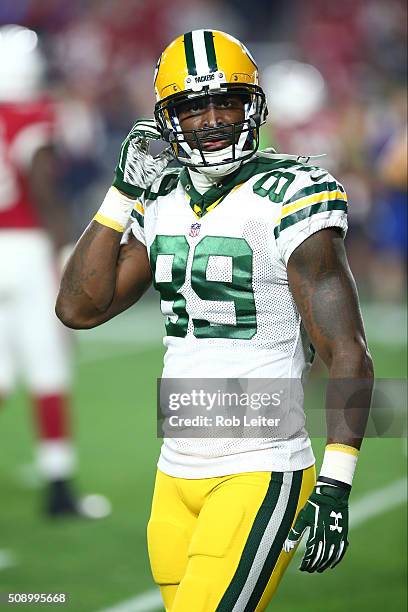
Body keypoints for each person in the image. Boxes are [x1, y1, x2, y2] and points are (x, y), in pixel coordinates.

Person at [56, 29, 374, 610]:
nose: (211, 120)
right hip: (174, 467)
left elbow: (348, 349)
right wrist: (121, 192)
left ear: (252, 104)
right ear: (167, 118)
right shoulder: (162, 195)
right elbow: (79, 309)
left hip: (260, 463)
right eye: (192, 106)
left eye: (225, 101)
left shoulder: (294, 192)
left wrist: (336, 479)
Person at [0, 25, 107, 518]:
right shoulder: (32, 115)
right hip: (24, 248)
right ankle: (60, 486)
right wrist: (66, 248)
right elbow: (43, 185)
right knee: (48, 365)